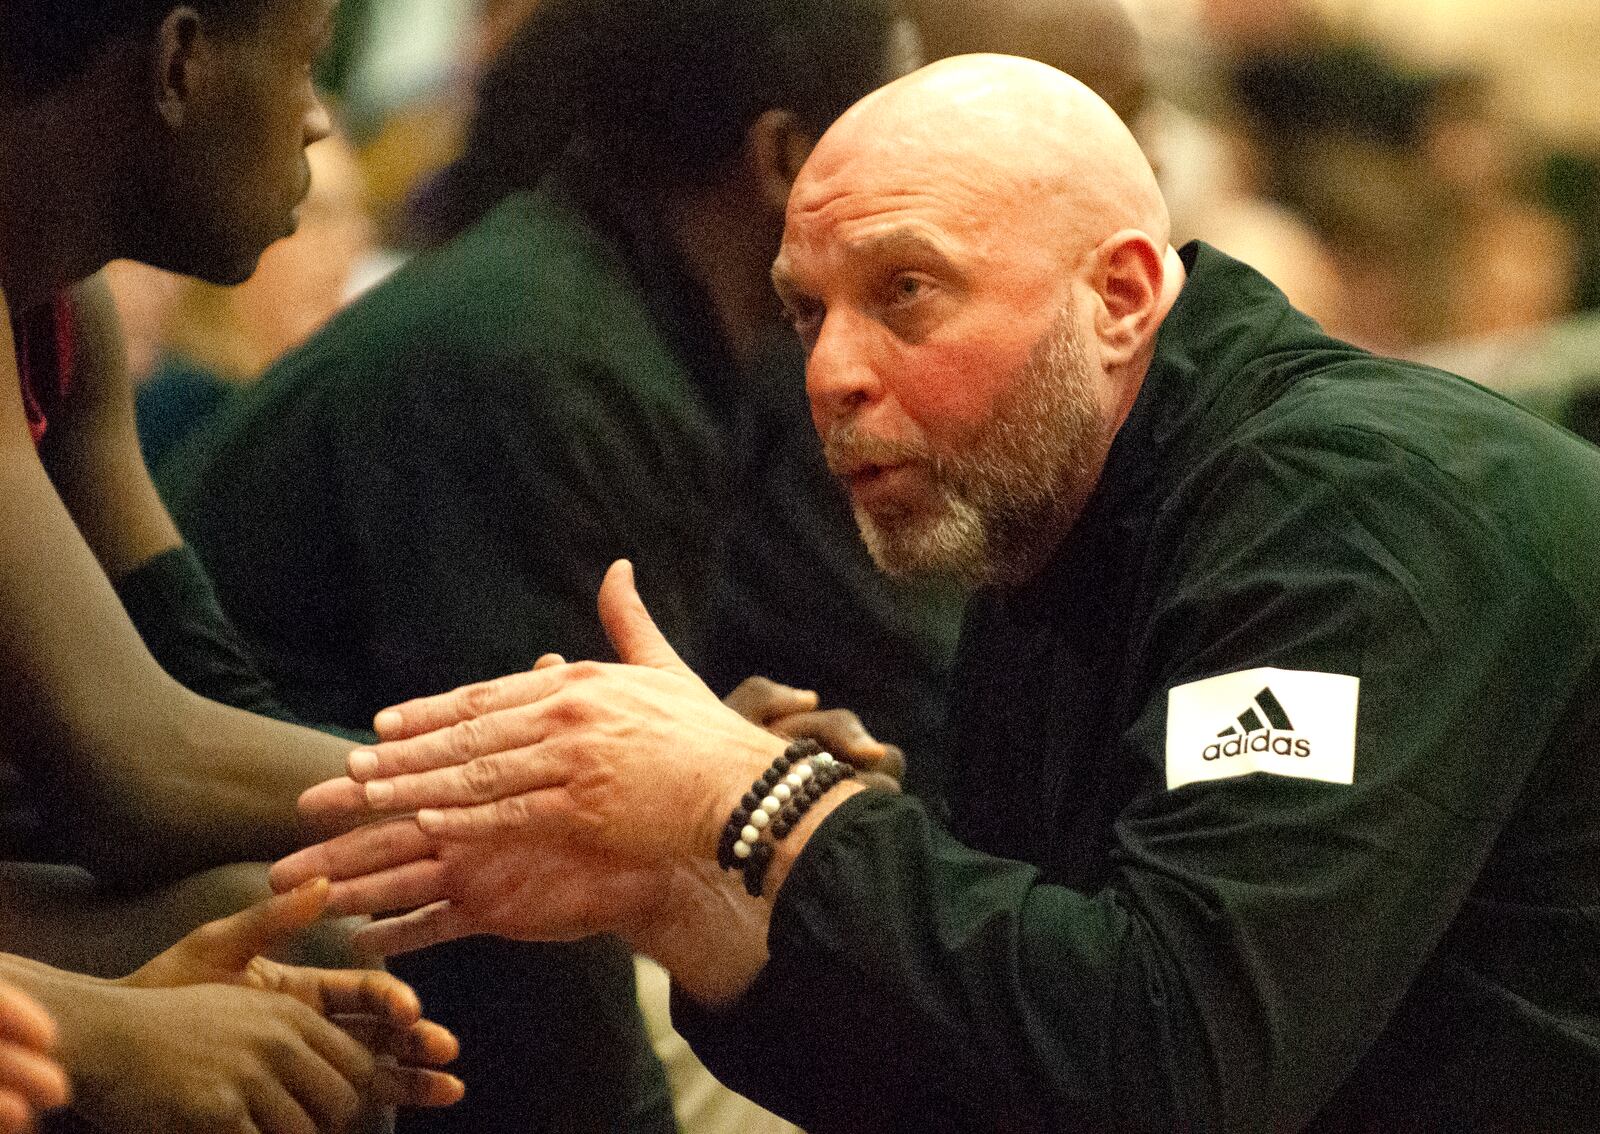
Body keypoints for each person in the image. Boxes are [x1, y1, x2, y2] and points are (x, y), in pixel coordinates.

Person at [276, 53, 1600, 1132]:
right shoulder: (1050, 528)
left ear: (1124, 294)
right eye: (807, 312)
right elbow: (1007, 1078)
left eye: (906, 292)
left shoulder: (1349, 508)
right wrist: (701, 887)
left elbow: (1175, 1061)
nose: (832, 375)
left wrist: (768, 809)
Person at [161, 2, 954, 1129]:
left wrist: (705, 762)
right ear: (784, 159)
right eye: (897, 119)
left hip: (383, 921)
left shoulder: (621, 317)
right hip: (242, 945)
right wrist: (668, 802)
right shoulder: (551, 356)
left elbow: (544, 776)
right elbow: (539, 947)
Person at [1, 0, 459, 1127]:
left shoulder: (66, 317)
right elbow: (132, 776)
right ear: (178, 58)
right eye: (306, 64)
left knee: (316, 941)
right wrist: (537, 801)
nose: (315, 122)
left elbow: (194, 691)